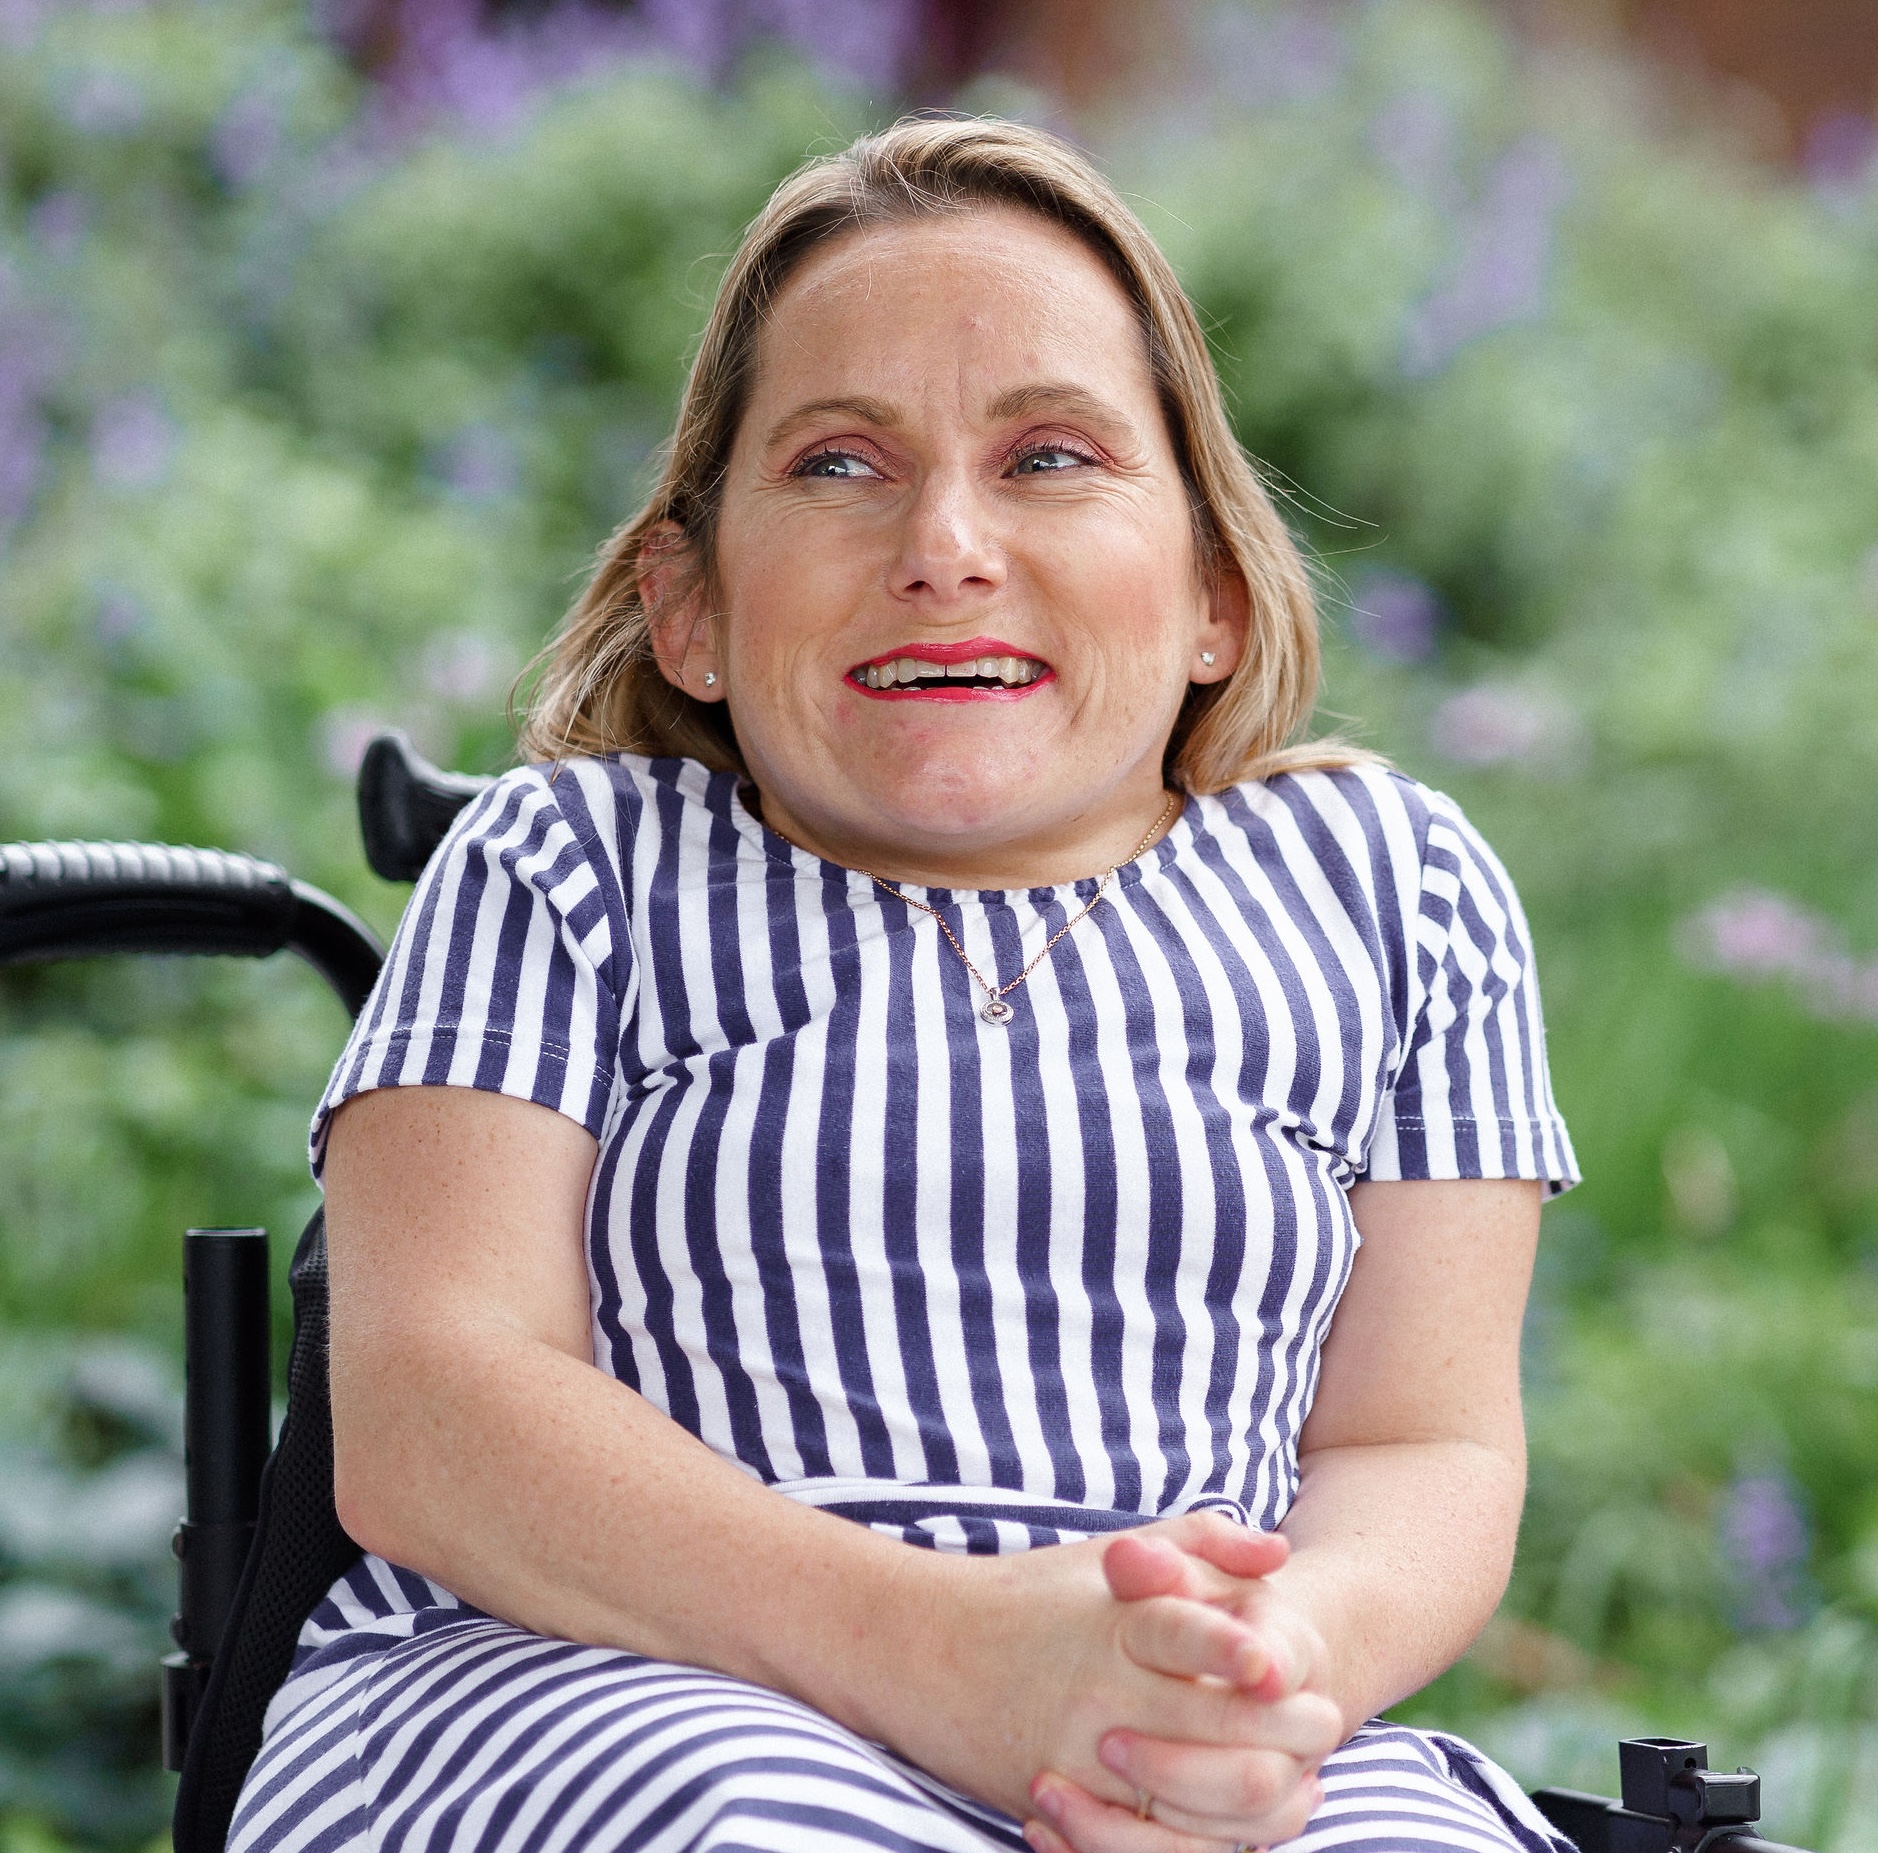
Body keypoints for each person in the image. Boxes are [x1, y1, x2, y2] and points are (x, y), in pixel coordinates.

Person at [228, 117, 1579, 1853]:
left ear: (1213, 597)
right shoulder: (577, 868)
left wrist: (1242, 1674)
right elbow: (430, 1412)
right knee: (745, 1811)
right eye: (840, 466)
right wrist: (950, 1655)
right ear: (690, 605)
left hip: (1168, 1698)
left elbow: (1420, 1447)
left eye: (1049, 457)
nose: (945, 541)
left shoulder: (1394, 894)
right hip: (612, 1679)